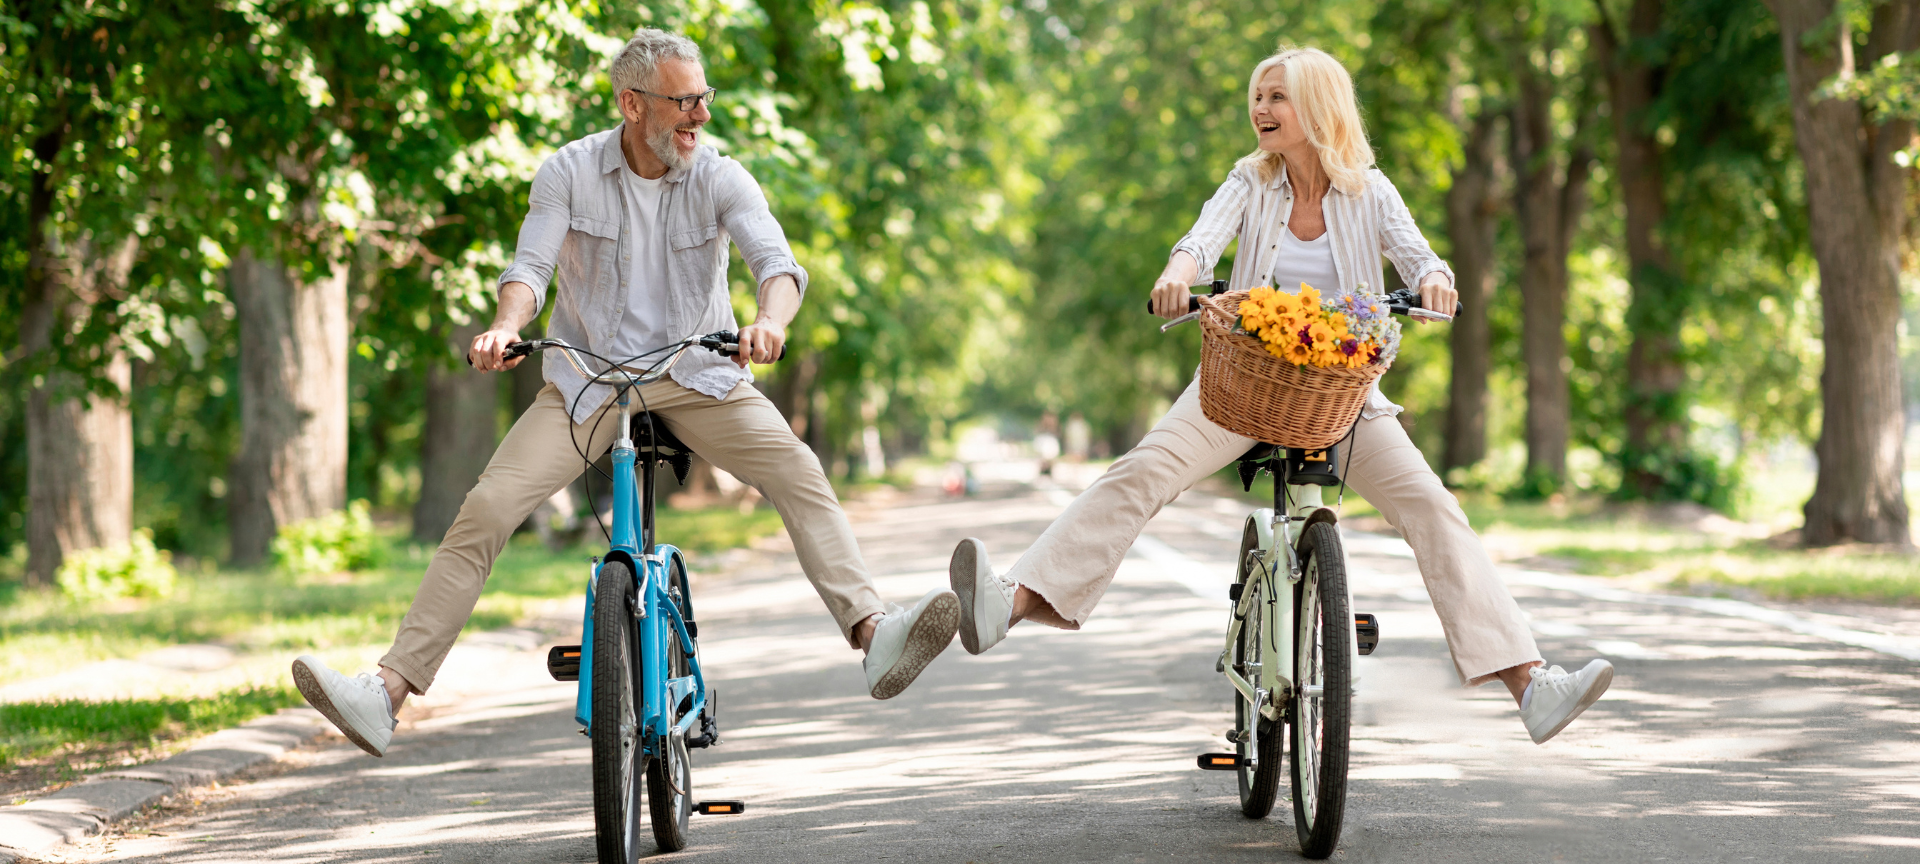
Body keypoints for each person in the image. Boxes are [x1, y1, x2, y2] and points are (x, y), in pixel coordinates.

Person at [292, 29, 960, 758]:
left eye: (704, 98)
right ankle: (384, 694)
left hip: (695, 375)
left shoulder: (720, 176)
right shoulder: (569, 172)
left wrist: (768, 323)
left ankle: (871, 632)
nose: (700, 115)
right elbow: (530, 267)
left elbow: (777, 262)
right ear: (632, 104)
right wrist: (504, 327)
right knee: (486, 508)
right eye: (684, 102)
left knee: (795, 467)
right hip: (589, 381)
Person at [947, 46, 1612, 745]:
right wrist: (1179, 272)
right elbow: (1200, 242)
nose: (1261, 110)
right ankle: (1007, 604)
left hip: (1341, 394)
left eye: (1277, 97)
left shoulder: (1370, 193)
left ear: (1318, 107)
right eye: (1257, 97)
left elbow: (1420, 257)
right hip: (1240, 387)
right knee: (1139, 472)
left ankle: (1530, 684)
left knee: (1434, 509)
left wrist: (1438, 280)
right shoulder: (1250, 180)